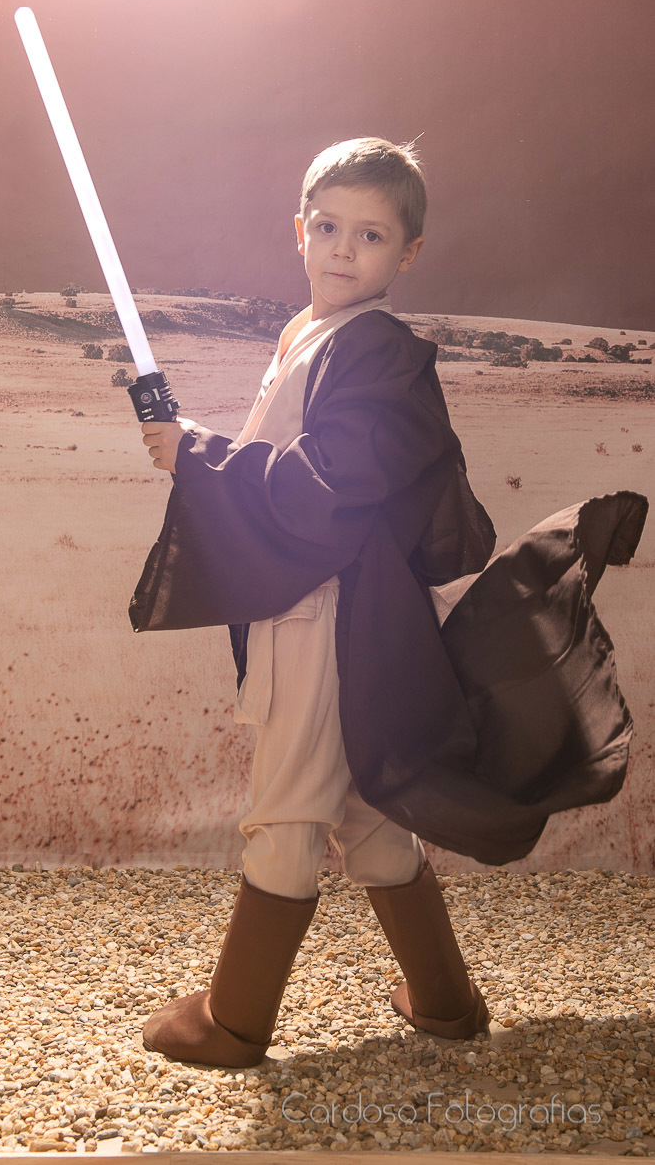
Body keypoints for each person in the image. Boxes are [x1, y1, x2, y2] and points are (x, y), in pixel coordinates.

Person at [128, 137, 647, 1069]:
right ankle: (444, 1002)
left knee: (288, 808)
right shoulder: (310, 333)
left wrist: (198, 454)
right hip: (320, 605)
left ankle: (234, 1021)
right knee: (368, 807)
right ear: (298, 230)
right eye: (327, 227)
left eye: (369, 235)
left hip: (325, 615)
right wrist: (200, 452)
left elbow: (336, 480)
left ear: (407, 254)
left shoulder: (375, 348)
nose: (342, 248)